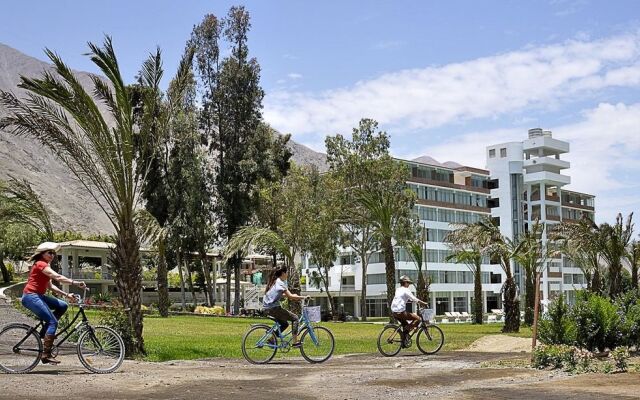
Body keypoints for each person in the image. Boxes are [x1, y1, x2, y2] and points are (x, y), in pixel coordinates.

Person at [21, 242, 87, 364]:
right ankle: (46, 355)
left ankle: (45, 333)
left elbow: (51, 287)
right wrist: (75, 283)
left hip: (38, 296)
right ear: (42, 254)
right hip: (31, 297)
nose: (52, 255)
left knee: (63, 305)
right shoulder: (41, 264)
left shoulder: (45, 266)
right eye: (49, 253)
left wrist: (66, 295)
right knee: (53, 321)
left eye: (54, 253)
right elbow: (57, 277)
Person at [262, 267, 308, 347]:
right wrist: (303, 297)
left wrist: (294, 296)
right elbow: (290, 297)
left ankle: (272, 340)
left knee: (284, 324)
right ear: (283, 273)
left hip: (268, 308)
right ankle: (295, 342)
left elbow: (282, 295)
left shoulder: (276, 281)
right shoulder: (280, 283)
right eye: (287, 273)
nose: (287, 275)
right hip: (273, 309)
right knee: (295, 318)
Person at [391, 275, 428, 347]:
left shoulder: (398, 289)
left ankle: (404, 341)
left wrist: (410, 301)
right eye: (408, 283)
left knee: (405, 325)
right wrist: (424, 303)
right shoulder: (406, 290)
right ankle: (407, 330)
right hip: (401, 312)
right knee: (418, 319)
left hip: (394, 311)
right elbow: (414, 298)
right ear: (405, 283)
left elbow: (402, 298)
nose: (408, 285)